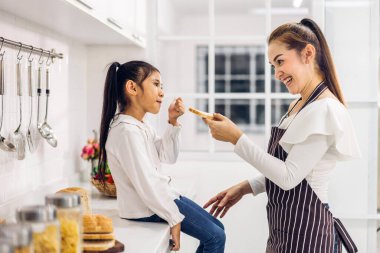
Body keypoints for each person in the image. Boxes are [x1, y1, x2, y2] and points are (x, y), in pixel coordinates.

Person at [203, 18, 360, 253]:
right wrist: (246, 187)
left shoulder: (324, 109)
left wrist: (236, 137)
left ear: (308, 53)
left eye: (280, 62)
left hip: (308, 235)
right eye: (272, 66)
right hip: (285, 231)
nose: (277, 73)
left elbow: (288, 176)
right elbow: (290, 169)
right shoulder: (299, 106)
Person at [98, 61, 226, 252]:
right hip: (145, 208)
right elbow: (147, 182)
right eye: (156, 84)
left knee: (218, 230)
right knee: (215, 237)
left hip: (160, 197)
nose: (162, 92)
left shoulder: (139, 126)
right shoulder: (126, 132)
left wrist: (173, 121)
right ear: (132, 87)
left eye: (161, 86)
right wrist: (173, 219)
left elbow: (167, 156)